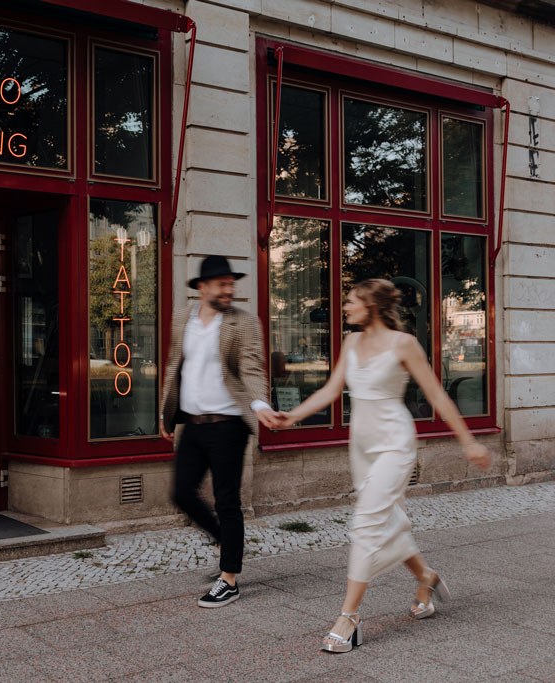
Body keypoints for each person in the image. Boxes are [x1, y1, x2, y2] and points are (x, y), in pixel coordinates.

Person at [271, 279, 491, 653]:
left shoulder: (403, 344)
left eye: (351, 302)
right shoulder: (352, 342)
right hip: (363, 446)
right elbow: (330, 389)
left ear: (371, 306)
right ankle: (426, 577)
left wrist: (468, 440)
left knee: (366, 523)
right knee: (385, 520)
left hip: (395, 444)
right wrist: (291, 416)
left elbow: (436, 394)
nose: (345, 308)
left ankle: (349, 618)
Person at [159, 255, 278, 608]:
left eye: (231, 283)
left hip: (228, 425)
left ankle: (229, 579)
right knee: (181, 494)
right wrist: (166, 416)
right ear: (202, 287)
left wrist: (260, 405)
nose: (230, 290)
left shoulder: (243, 323)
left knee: (227, 501)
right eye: (223, 284)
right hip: (192, 425)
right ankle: (226, 543)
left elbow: (251, 367)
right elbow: (173, 366)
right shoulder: (183, 318)